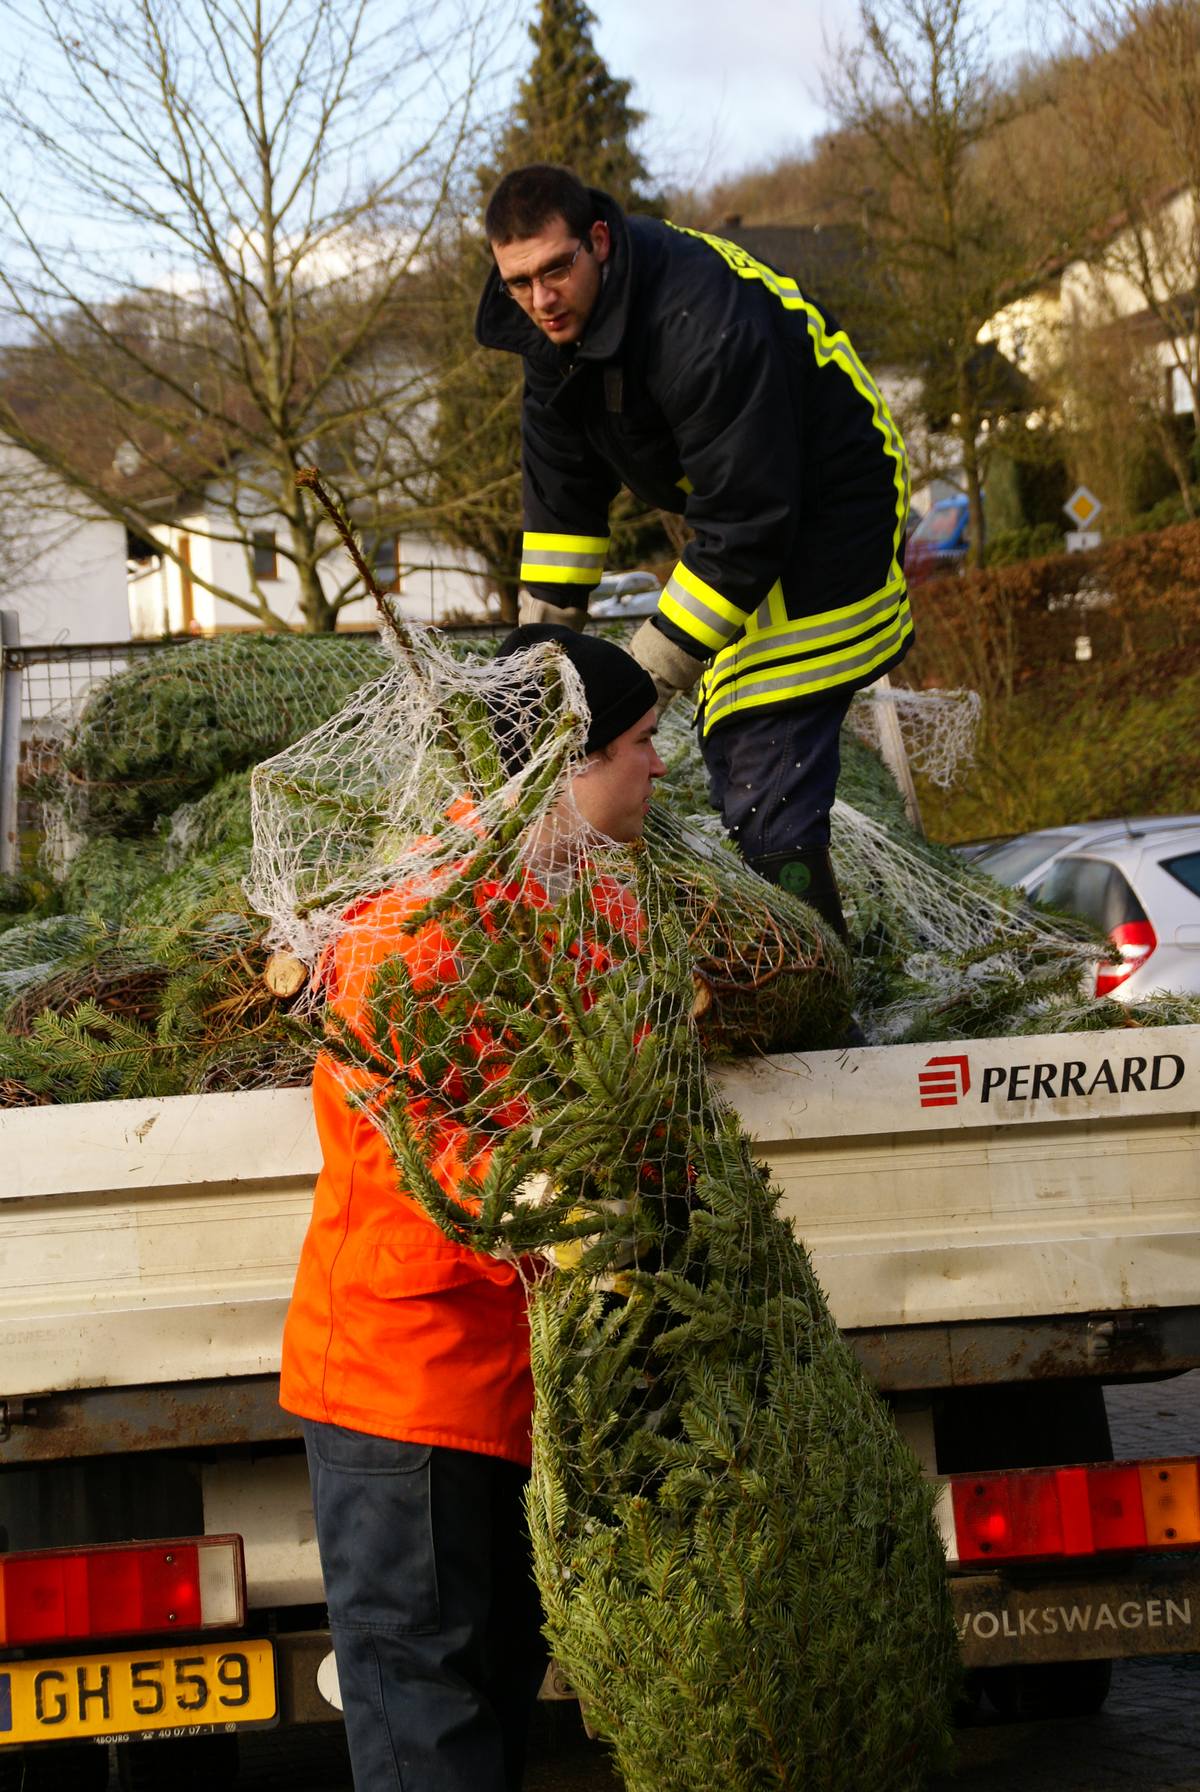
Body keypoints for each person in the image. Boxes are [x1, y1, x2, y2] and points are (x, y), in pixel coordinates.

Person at [280, 626, 662, 1792]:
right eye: (641, 742)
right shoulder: (416, 922)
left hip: (517, 1379)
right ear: (567, 759)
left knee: (491, 1688)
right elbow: (416, 1138)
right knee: (424, 1706)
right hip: (407, 1376)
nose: (658, 765)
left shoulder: (592, 910)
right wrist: (548, 1204)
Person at [476, 162, 913, 941]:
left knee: (761, 750)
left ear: (598, 242)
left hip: (834, 511)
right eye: (519, 282)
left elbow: (746, 526)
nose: (541, 299)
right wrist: (531, 681)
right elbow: (561, 515)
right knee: (730, 744)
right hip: (748, 514)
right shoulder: (548, 338)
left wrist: (624, 698)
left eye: (556, 269)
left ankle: (817, 980)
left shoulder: (702, 320)